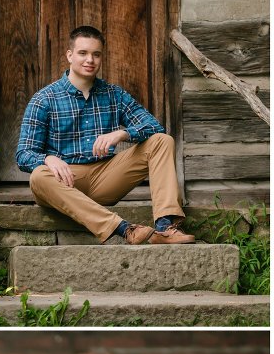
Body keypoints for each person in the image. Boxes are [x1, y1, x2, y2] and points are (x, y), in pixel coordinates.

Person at [16, 26, 195, 245]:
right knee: (38, 176)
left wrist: (122, 134)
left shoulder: (114, 94)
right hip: (65, 182)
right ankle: (123, 229)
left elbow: (154, 126)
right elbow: (23, 154)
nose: (90, 59)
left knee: (161, 141)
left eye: (96, 54)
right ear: (69, 55)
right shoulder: (44, 99)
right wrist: (47, 158)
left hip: (106, 177)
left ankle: (165, 228)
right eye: (83, 53)